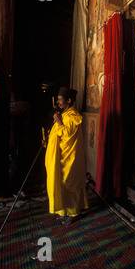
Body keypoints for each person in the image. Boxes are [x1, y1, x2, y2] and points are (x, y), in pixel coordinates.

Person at [45, 87, 88, 225]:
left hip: (70, 158)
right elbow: (57, 134)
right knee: (62, 184)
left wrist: (58, 120)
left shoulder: (73, 116)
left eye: (60, 99)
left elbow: (67, 134)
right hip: (61, 157)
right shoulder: (64, 114)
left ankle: (75, 212)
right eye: (57, 99)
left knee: (70, 183)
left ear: (68, 100)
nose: (57, 102)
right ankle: (65, 211)